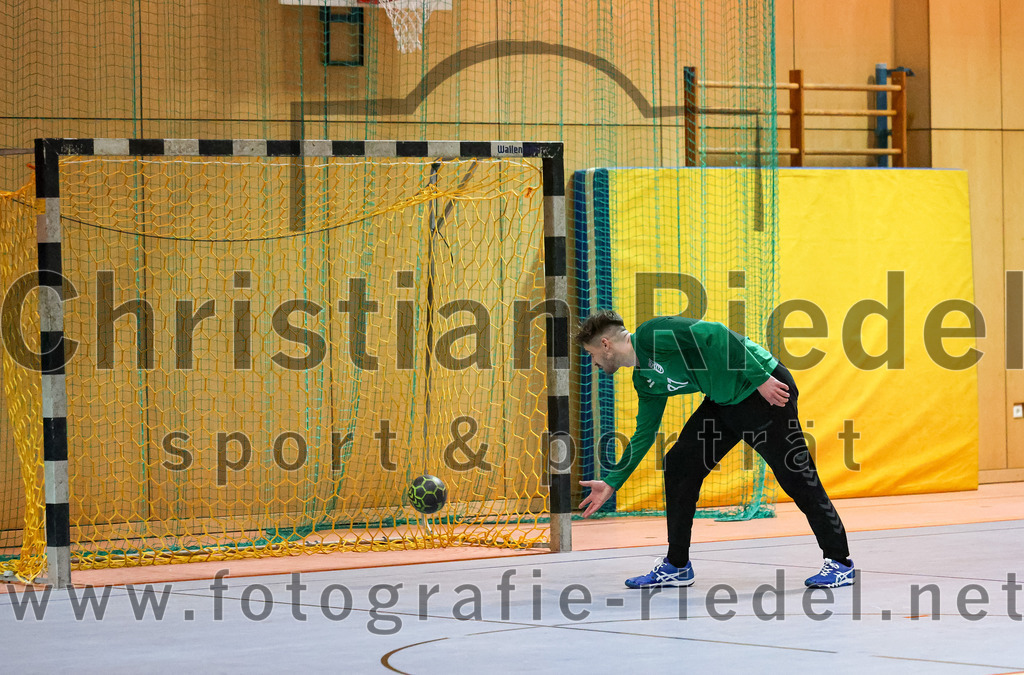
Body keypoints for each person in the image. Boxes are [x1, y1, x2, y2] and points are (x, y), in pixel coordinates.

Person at [574, 310, 854, 590]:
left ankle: (839, 562)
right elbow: (644, 434)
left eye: (591, 354)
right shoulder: (644, 380)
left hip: (761, 387)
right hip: (723, 401)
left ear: (606, 345)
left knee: (796, 476)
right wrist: (613, 481)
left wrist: (760, 379)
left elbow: (717, 333)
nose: (593, 362)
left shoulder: (652, 334)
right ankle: (677, 565)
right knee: (680, 464)